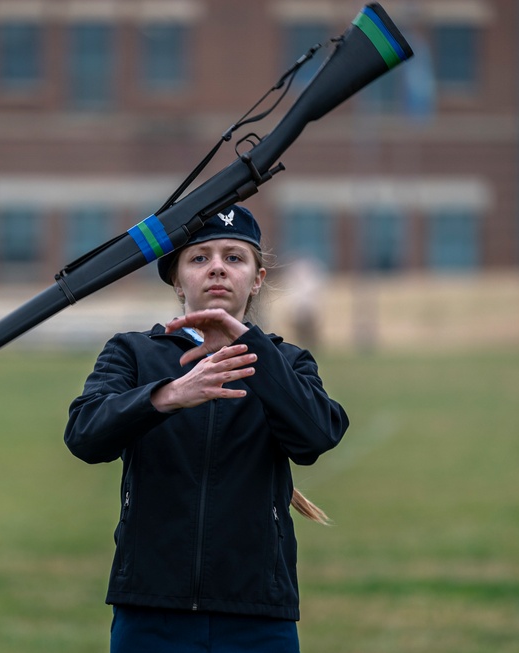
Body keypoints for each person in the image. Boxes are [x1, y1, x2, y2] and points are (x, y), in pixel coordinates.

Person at [63, 205, 349, 653]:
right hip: (150, 610)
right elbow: (84, 434)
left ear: (257, 278)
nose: (217, 267)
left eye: (234, 257)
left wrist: (251, 349)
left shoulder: (287, 361)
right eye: (199, 258)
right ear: (177, 279)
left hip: (257, 614)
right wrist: (169, 395)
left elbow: (315, 437)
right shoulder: (133, 353)